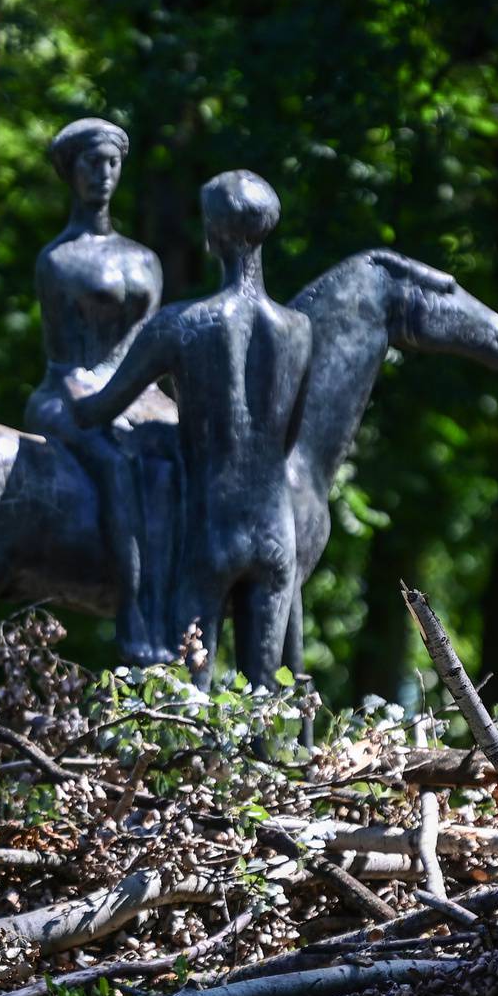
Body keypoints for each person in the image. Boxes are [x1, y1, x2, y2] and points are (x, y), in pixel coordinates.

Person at [72, 170, 311, 687]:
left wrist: (72, 396)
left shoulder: (181, 324)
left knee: (191, 692)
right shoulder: (299, 330)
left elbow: (100, 408)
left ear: (213, 235)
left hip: (211, 525)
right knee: (265, 696)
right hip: (276, 529)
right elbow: (289, 436)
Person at [23, 118, 177, 663]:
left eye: (111, 162)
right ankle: (133, 614)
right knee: (116, 464)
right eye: (92, 163)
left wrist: (157, 404)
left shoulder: (144, 259)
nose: (104, 173)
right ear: (72, 172)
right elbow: (64, 359)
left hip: (137, 394)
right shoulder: (58, 261)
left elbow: (147, 355)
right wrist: (102, 406)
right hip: (71, 394)